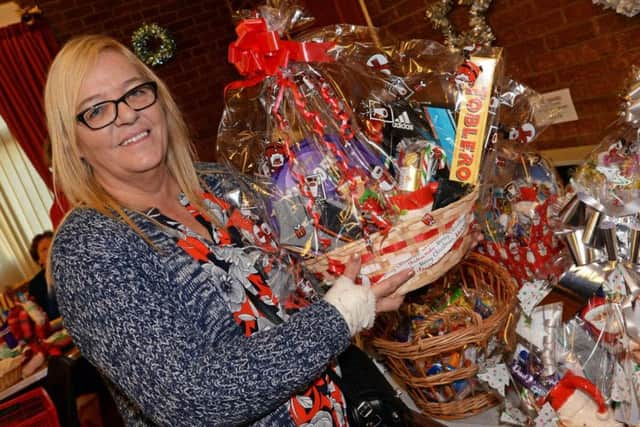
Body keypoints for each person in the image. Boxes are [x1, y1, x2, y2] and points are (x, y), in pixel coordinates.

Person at [45, 35, 414, 426]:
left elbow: (298, 289)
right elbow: (190, 400)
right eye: (97, 110)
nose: (127, 114)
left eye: (135, 92)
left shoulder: (221, 186)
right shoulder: (88, 249)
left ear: (159, 99)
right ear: (74, 143)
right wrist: (339, 317)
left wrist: (372, 272)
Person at [27, 230, 59, 319]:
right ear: (39, 260)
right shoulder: (35, 285)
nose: (51, 249)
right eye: (44, 249)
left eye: (53, 244)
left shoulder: (74, 268)